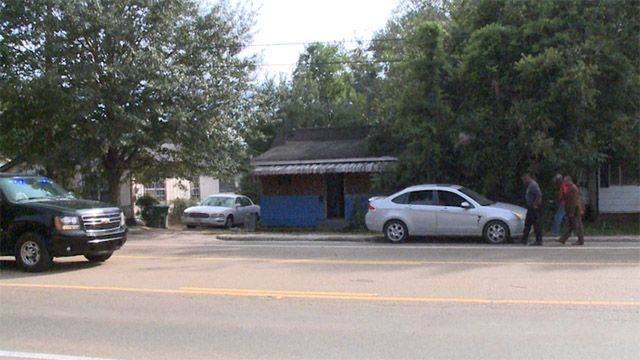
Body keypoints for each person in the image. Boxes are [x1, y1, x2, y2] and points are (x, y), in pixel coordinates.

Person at [557, 176, 585, 245]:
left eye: (565, 181)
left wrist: (571, 212)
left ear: (569, 181)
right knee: (570, 225)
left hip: (575, 211)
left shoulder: (573, 188)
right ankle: (563, 239)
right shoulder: (570, 188)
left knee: (577, 225)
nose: (564, 183)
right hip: (571, 210)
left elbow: (574, 202)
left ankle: (580, 240)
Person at [521, 174, 543, 246]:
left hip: (534, 208)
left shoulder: (533, 185)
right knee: (528, 223)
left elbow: (539, 195)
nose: (523, 182)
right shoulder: (530, 185)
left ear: (527, 178)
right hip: (530, 207)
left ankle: (539, 240)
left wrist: (535, 204)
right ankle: (524, 239)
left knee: (536, 224)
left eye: (524, 180)